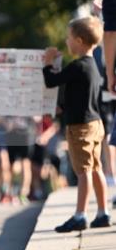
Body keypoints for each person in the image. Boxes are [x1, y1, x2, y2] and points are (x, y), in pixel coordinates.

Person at [42, 15, 110, 231]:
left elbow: (51, 81)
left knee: (83, 171)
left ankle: (80, 215)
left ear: (79, 40)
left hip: (80, 126)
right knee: (96, 168)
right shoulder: (93, 66)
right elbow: (82, 96)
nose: (66, 41)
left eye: (69, 37)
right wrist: (64, 106)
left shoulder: (76, 66)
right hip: (95, 123)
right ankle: (102, 212)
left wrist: (48, 63)